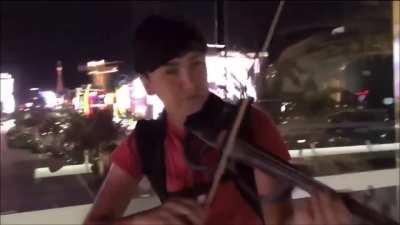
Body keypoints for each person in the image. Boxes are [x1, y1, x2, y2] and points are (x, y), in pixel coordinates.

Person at [83, 15, 352, 225]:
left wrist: (308, 220)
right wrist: (144, 220)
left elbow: (279, 219)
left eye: (196, 64)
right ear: (147, 83)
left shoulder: (249, 124)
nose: (190, 84)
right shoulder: (145, 142)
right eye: (171, 71)